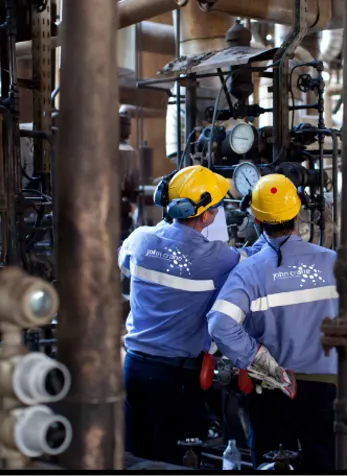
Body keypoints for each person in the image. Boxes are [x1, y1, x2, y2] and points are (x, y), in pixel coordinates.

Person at [118, 165, 266, 464]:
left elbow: (124, 265)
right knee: (176, 461)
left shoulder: (139, 239)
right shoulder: (218, 257)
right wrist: (264, 216)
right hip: (177, 378)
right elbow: (258, 260)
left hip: (133, 369)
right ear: (207, 215)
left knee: (136, 457)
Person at [207, 174, 347, 470]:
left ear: (257, 222)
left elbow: (220, 324)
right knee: (327, 461)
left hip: (274, 388)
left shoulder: (249, 272)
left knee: (273, 463)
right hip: (327, 390)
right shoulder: (335, 263)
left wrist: (260, 362)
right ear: (297, 215)